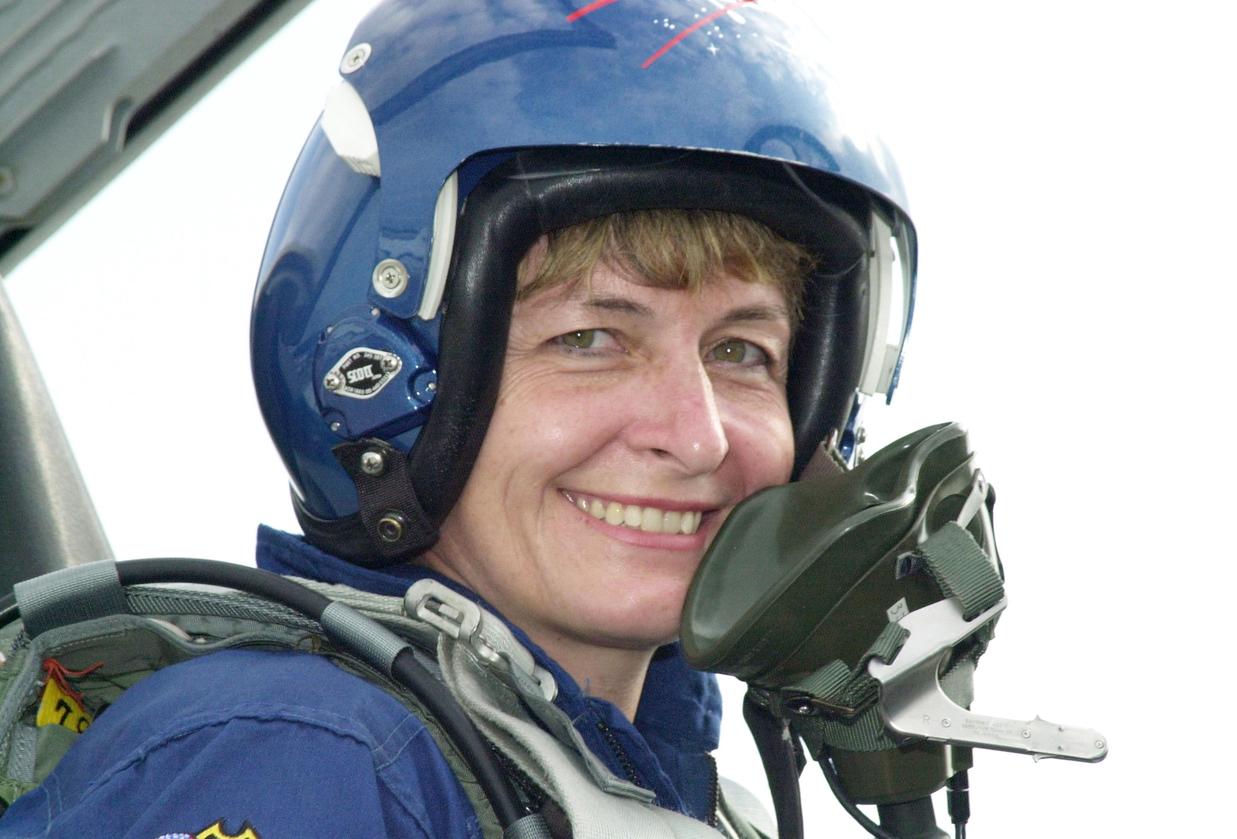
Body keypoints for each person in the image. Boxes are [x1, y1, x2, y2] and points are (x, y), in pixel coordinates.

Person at [0, 1, 915, 836]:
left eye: (741, 353)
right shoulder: (308, 764)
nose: (699, 433)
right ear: (391, 378)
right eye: (591, 339)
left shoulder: (671, 803)